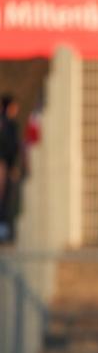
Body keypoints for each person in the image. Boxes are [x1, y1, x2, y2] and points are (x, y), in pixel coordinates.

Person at [0, 94, 23, 243]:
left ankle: (4, 226)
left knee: (7, 195)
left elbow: (15, 147)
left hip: (7, 164)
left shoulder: (11, 124)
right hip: (2, 163)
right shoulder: (5, 124)